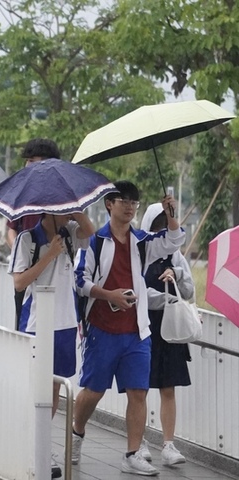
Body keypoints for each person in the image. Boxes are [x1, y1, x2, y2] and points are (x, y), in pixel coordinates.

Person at [72, 181, 185, 476]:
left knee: (138, 392)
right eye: (123, 200)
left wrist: (171, 212)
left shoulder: (142, 241)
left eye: (134, 201)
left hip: (137, 332)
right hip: (102, 330)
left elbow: (173, 240)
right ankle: (76, 431)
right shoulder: (96, 241)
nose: (130, 206)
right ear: (109, 204)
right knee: (93, 391)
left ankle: (132, 453)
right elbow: (80, 281)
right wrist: (109, 295)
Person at [8, 211, 94, 478]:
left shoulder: (69, 231)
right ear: (49, 208)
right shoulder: (27, 239)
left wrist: (78, 212)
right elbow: (20, 281)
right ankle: (28, 445)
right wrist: (49, 255)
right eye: (64, 206)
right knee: (35, 388)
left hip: (65, 322)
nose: (68, 210)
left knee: (55, 390)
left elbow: (90, 231)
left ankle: (43, 445)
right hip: (36, 322)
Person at [135, 203, 193, 466]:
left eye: (164, 225)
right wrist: (166, 298)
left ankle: (168, 444)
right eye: (156, 225)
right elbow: (138, 294)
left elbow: (190, 291)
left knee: (168, 386)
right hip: (145, 325)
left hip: (170, 329)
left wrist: (177, 274)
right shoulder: (139, 253)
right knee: (141, 387)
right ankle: (139, 441)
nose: (160, 232)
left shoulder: (176, 255)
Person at [7, 138, 62, 329]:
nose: (29, 165)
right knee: (25, 324)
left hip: (54, 270)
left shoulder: (60, 196)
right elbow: (11, 229)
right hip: (27, 269)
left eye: (34, 161)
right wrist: (19, 253)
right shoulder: (20, 194)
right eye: (28, 161)